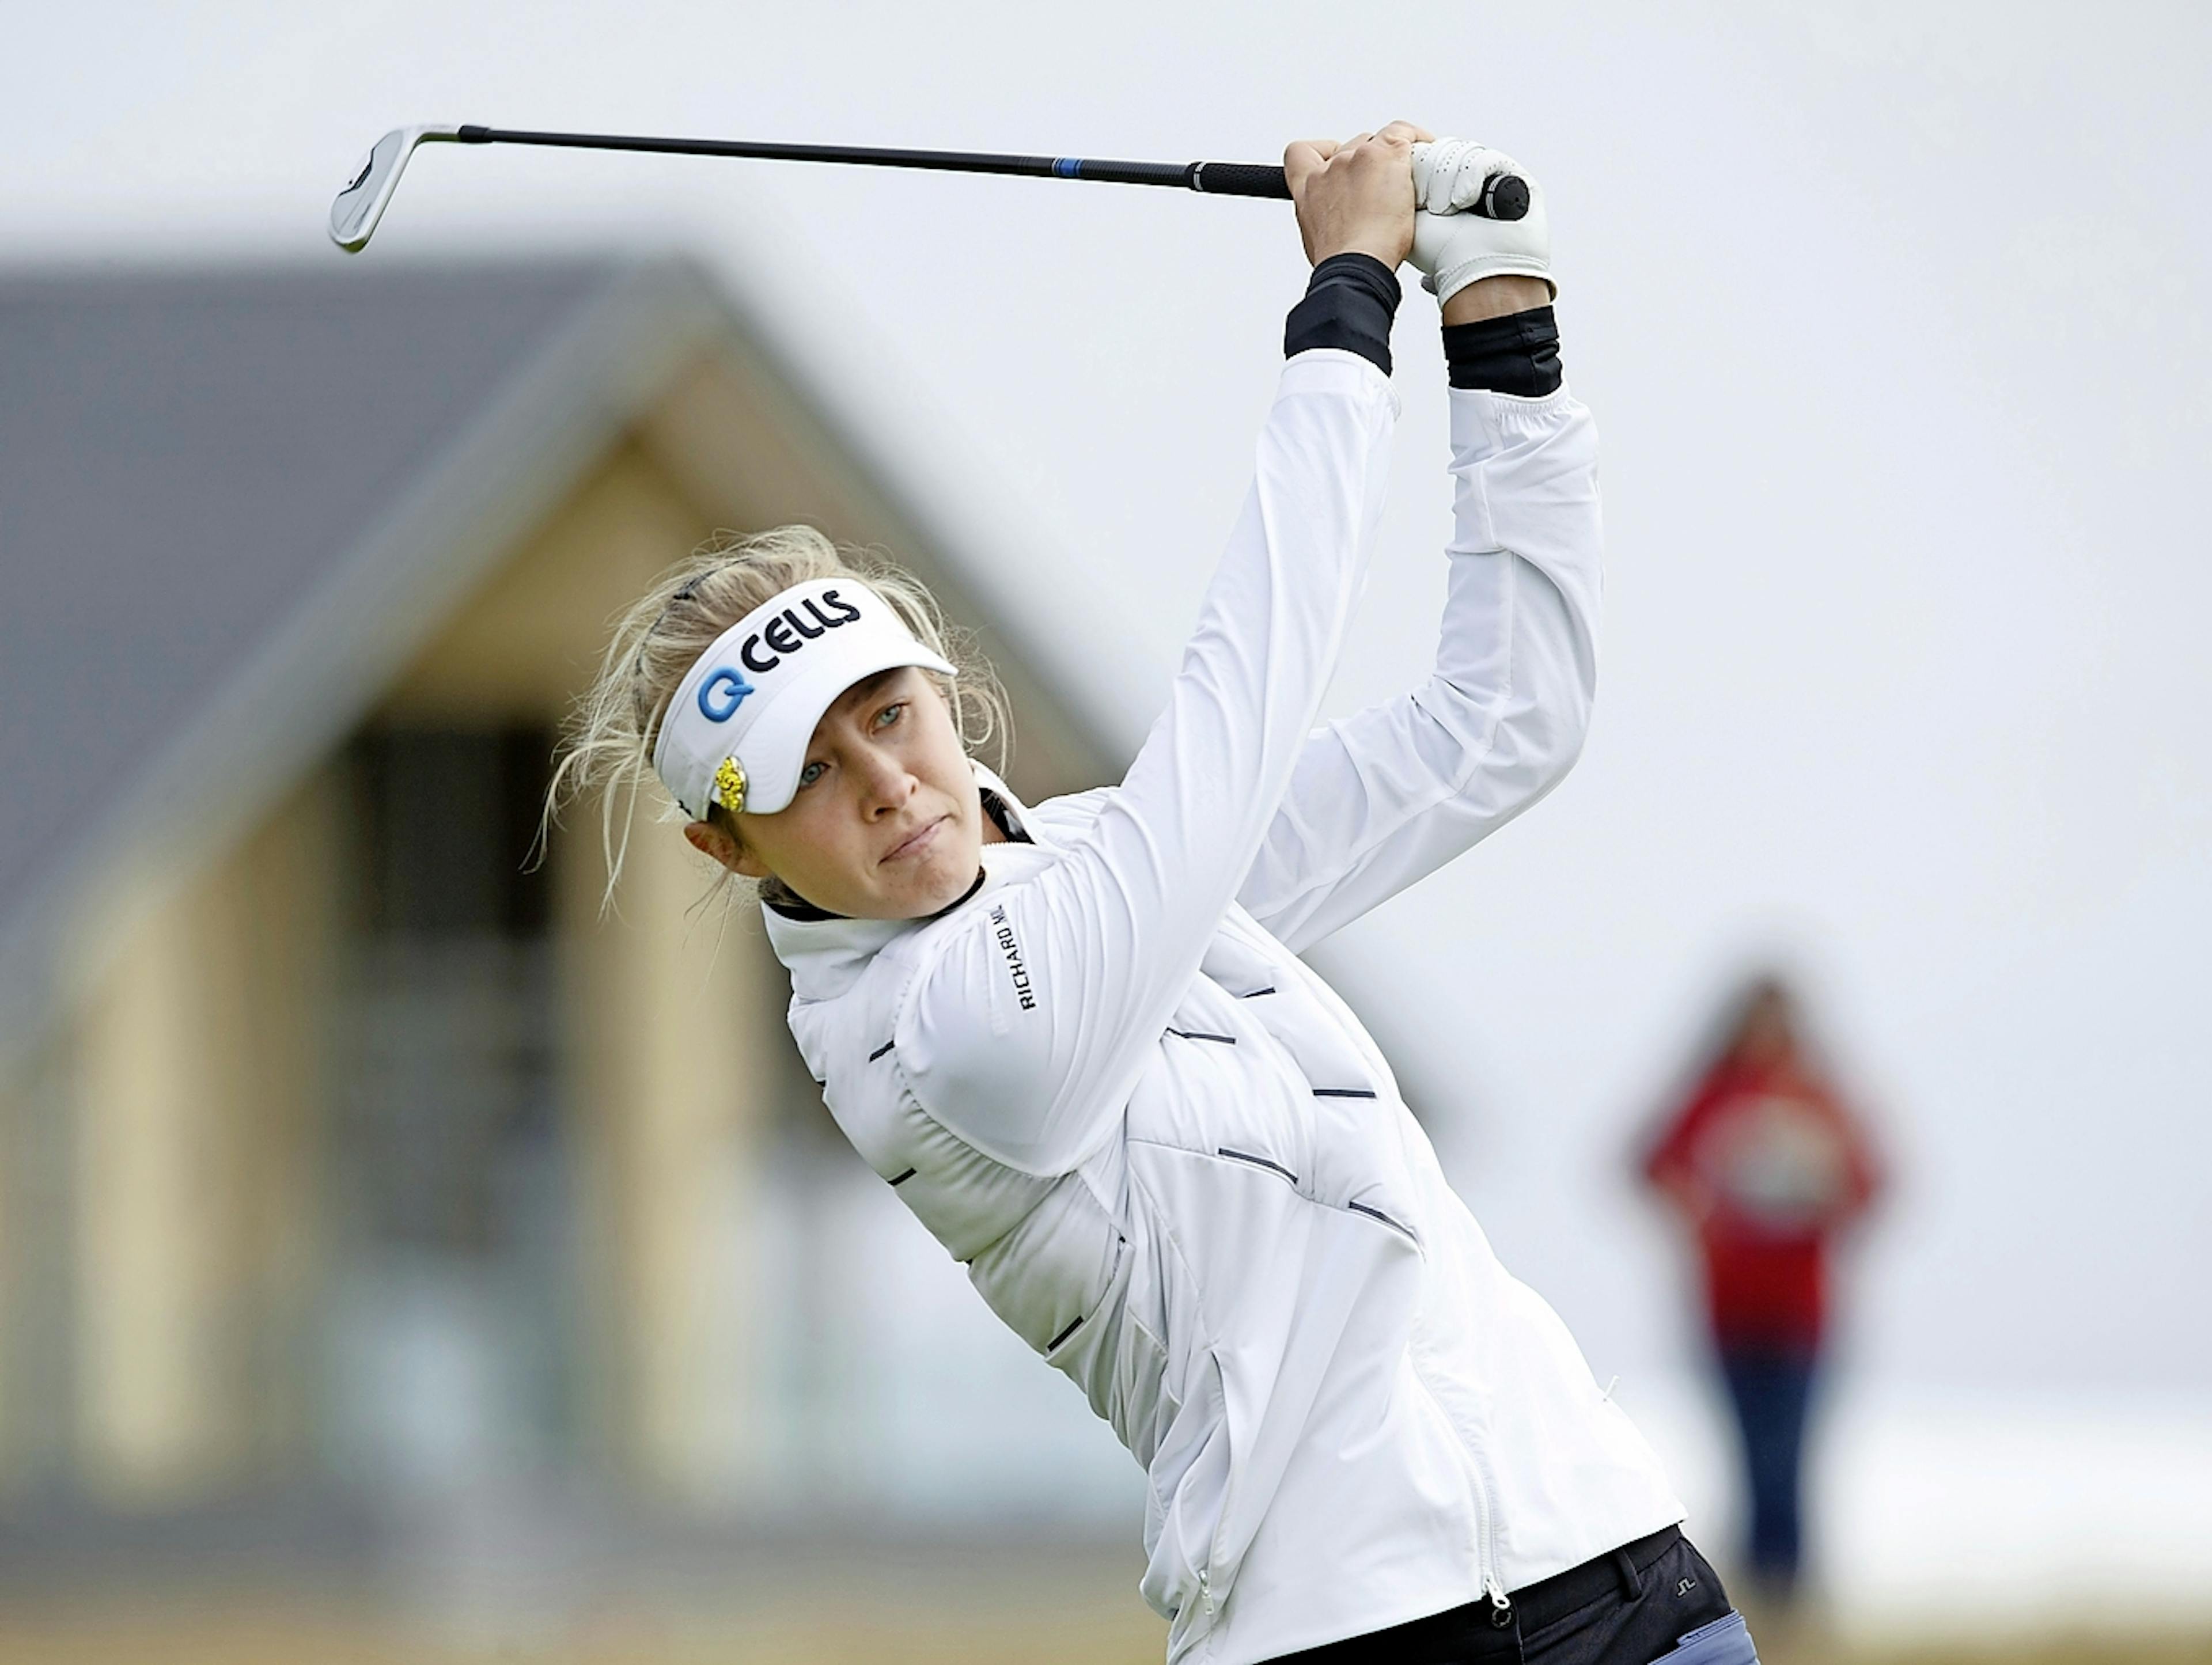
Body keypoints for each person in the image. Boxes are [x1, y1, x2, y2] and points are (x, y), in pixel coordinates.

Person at [551, 123, 1760, 1665]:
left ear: (943, 694)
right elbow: (1237, 706)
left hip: (1617, 1569)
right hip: (1343, 1637)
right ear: (728, 847)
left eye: (890, 712)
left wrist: (1499, 322)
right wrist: (1342, 314)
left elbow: (1503, 722)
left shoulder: (1123, 868)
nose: (887, 782)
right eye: (809, 771)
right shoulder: (941, 1040)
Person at [1642, 976, 1882, 1600]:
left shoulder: (1818, 1100)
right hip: (1729, 1310)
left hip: (1803, 1312)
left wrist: (1818, 1193)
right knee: (1749, 1454)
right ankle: (1760, 1585)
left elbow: (1871, 1183)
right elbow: (1649, 1164)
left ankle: (1789, 1586)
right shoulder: (1713, 1097)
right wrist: (1701, 1215)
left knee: (1791, 1455)